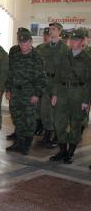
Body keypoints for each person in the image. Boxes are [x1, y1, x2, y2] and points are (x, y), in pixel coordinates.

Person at [49, 28, 91, 164]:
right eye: (72, 39)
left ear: (82, 41)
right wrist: (54, 93)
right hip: (62, 92)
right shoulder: (64, 56)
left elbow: (89, 82)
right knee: (58, 123)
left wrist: (86, 100)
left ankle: (71, 152)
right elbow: (56, 77)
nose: (73, 42)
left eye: (76, 39)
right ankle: (62, 150)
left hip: (78, 94)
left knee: (76, 124)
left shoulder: (87, 59)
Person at [5, 31, 46, 155]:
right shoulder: (16, 56)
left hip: (29, 93)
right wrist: (8, 90)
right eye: (21, 42)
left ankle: (26, 145)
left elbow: (41, 78)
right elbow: (10, 74)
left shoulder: (37, 57)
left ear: (30, 42)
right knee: (17, 118)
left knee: (29, 120)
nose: (23, 45)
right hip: (15, 92)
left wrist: (37, 94)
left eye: (25, 42)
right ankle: (18, 142)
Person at [36, 22, 68, 149]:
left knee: (56, 111)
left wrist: (59, 89)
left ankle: (57, 136)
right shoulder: (43, 47)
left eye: (54, 29)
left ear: (59, 31)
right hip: (45, 82)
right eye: (50, 29)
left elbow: (65, 70)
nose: (51, 31)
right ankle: (47, 134)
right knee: (44, 110)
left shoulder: (64, 49)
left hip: (57, 82)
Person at [6, 27, 32, 141]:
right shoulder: (13, 50)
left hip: (26, 90)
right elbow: (10, 69)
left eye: (22, 35)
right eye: (18, 35)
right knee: (15, 112)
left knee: (25, 115)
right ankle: (17, 133)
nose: (19, 37)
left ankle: (24, 139)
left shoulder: (33, 53)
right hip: (15, 87)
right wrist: (8, 88)